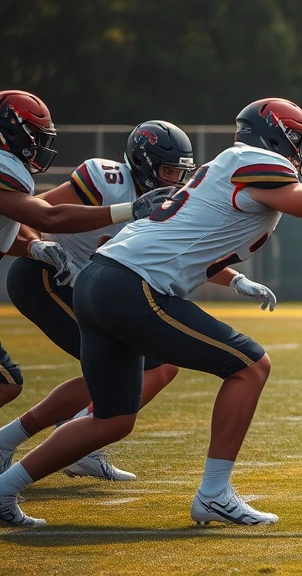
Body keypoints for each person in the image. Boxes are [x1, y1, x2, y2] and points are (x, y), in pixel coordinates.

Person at [0, 97, 302, 528]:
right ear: (277, 138)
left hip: (101, 277)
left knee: (113, 419)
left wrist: (236, 280)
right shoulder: (254, 162)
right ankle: (214, 494)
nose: (301, 153)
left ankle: (2, 490)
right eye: (297, 142)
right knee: (250, 366)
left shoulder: (232, 166)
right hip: (131, 284)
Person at [0, 120, 279, 483]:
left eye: (180, 172)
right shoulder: (106, 178)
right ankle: (53, 443)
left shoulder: (172, 198)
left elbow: (175, 251)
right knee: (133, 372)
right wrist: (41, 248)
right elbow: (34, 213)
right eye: (167, 170)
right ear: (144, 162)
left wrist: (237, 279)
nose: (173, 179)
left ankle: (67, 442)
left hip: (94, 287)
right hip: (47, 278)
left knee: (152, 369)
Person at [0, 90, 174, 408]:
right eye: (34, 135)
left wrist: (34, 246)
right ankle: (77, 442)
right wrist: (129, 211)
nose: (40, 145)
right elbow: (44, 214)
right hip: (50, 280)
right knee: (116, 360)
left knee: (6, 382)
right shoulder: (104, 180)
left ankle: (74, 441)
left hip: (75, 282)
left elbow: (8, 233)